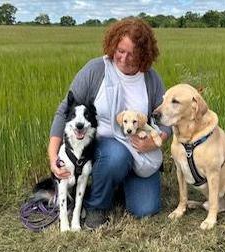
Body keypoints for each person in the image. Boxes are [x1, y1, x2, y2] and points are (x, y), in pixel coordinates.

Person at [48, 18, 171, 230]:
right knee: (116, 155)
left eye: (132, 54)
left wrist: (156, 142)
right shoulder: (95, 70)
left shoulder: (151, 78)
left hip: (140, 152)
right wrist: (53, 157)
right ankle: (96, 206)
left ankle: (117, 184)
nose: (123, 58)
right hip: (103, 149)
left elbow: (166, 119)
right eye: (120, 50)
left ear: (144, 54)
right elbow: (63, 112)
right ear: (113, 44)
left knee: (146, 209)